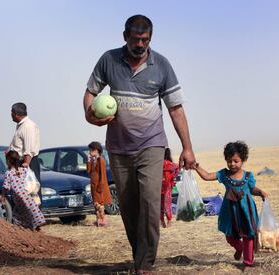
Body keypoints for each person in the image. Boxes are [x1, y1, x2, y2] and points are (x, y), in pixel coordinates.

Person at [83, 15, 196, 273]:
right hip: (119, 147)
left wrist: (187, 147)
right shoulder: (108, 60)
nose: (140, 44)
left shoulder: (162, 65)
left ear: (150, 39)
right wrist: (90, 115)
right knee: (129, 205)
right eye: (136, 39)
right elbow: (90, 93)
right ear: (125, 37)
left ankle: (145, 263)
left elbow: (175, 109)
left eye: (145, 40)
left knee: (148, 201)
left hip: (152, 144)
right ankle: (140, 255)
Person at [193, 141, 268, 267]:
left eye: (235, 161)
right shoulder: (224, 174)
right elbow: (206, 176)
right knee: (230, 236)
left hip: (246, 210)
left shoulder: (248, 176)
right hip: (230, 211)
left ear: (243, 160)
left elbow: (252, 189)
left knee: (248, 235)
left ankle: (248, 262)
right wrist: (197, 167)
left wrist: (260, 192)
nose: (232, 164)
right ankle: (240, 248)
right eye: (229, 161)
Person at [1, 150, 45, 230]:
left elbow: (5, 186)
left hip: (18, 196)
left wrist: (3, 197)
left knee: (19, 211)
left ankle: (21, 226)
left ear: (8, 161)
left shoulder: (9, 173)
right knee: (30, 209)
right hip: (27, 194)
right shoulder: (24, 170)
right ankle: (35, 225)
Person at [9, 102, 42, 200]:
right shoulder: (21, 125)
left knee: (31, 190)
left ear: (15, 113)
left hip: (27, 163)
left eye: (11, 112)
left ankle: (34, 214)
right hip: (19, 163)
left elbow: (29, 149)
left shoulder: (28, 126)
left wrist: (26, 165)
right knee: (22, 193)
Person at [86, 141, 112, 227]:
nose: (89, 152)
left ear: (96, 150)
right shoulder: (94, 160)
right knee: (96, 203)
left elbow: (103, 175)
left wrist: (100, 186)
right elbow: (88, 171)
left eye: (91, 150)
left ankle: (103, 220)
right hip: (94, 185)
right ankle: (98, 220)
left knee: (99, 204)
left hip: (99, 186)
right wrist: (88, 160)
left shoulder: (101, 160)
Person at [161, 148, 179, 228]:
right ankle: (169, 221)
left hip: (158, 186)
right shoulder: (171, 164)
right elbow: (177, 170)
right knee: (167, 204)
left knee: (159, 204)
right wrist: (172, 177)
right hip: (167, 186)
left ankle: (161, 221)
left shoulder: (158, 164)